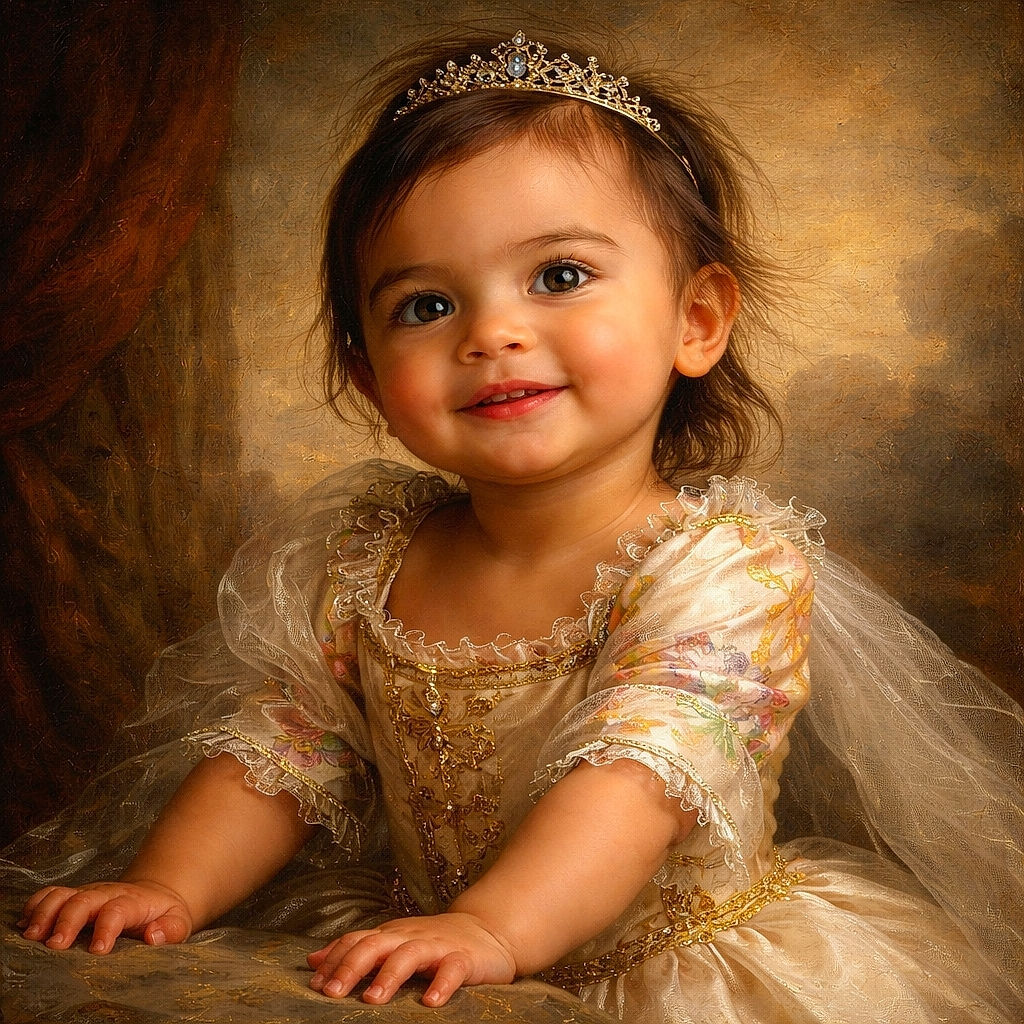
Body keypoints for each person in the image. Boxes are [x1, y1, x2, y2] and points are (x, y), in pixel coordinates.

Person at [10, 29, 1023, 1024]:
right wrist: (170, 885)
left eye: (559, 277)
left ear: (697, 320)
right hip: (435, 944)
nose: (491, 333)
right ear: (369, 374)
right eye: (426, 305)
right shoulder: (368, 557)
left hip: (667, 975)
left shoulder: (723, 570)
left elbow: (634, 780)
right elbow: (290, 748)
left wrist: (490, 926)